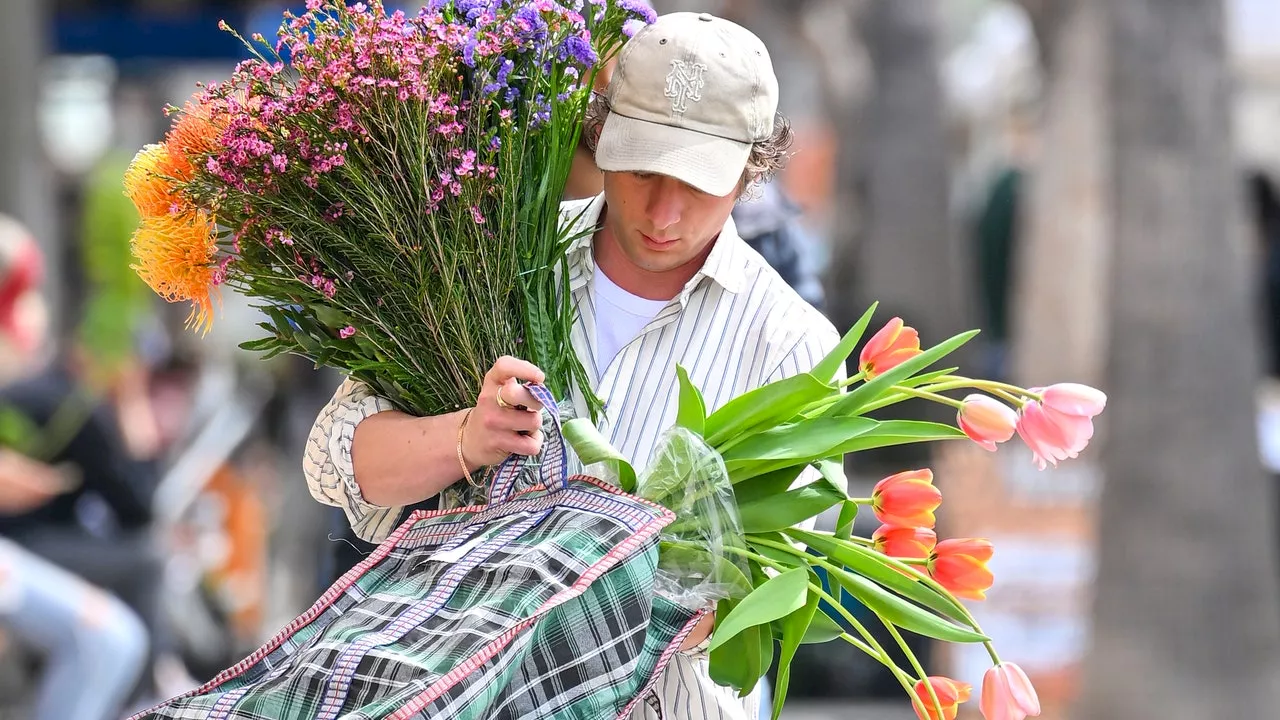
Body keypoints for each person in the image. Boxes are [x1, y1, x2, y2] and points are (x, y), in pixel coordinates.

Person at [304, 12, 840, 719]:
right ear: (601, 135)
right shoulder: (492, 268)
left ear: (753, 169)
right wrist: (469, 436)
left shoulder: (789, 344)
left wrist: (638, 571)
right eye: (643, 167)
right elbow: (333, 465)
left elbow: (779, 586)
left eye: (700, 181)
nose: (664, 209)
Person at [0, 215, 150, 720]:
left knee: (113, 637)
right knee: (110, 639)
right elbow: (139, 505)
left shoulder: (47, 392)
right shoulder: (57, 396)